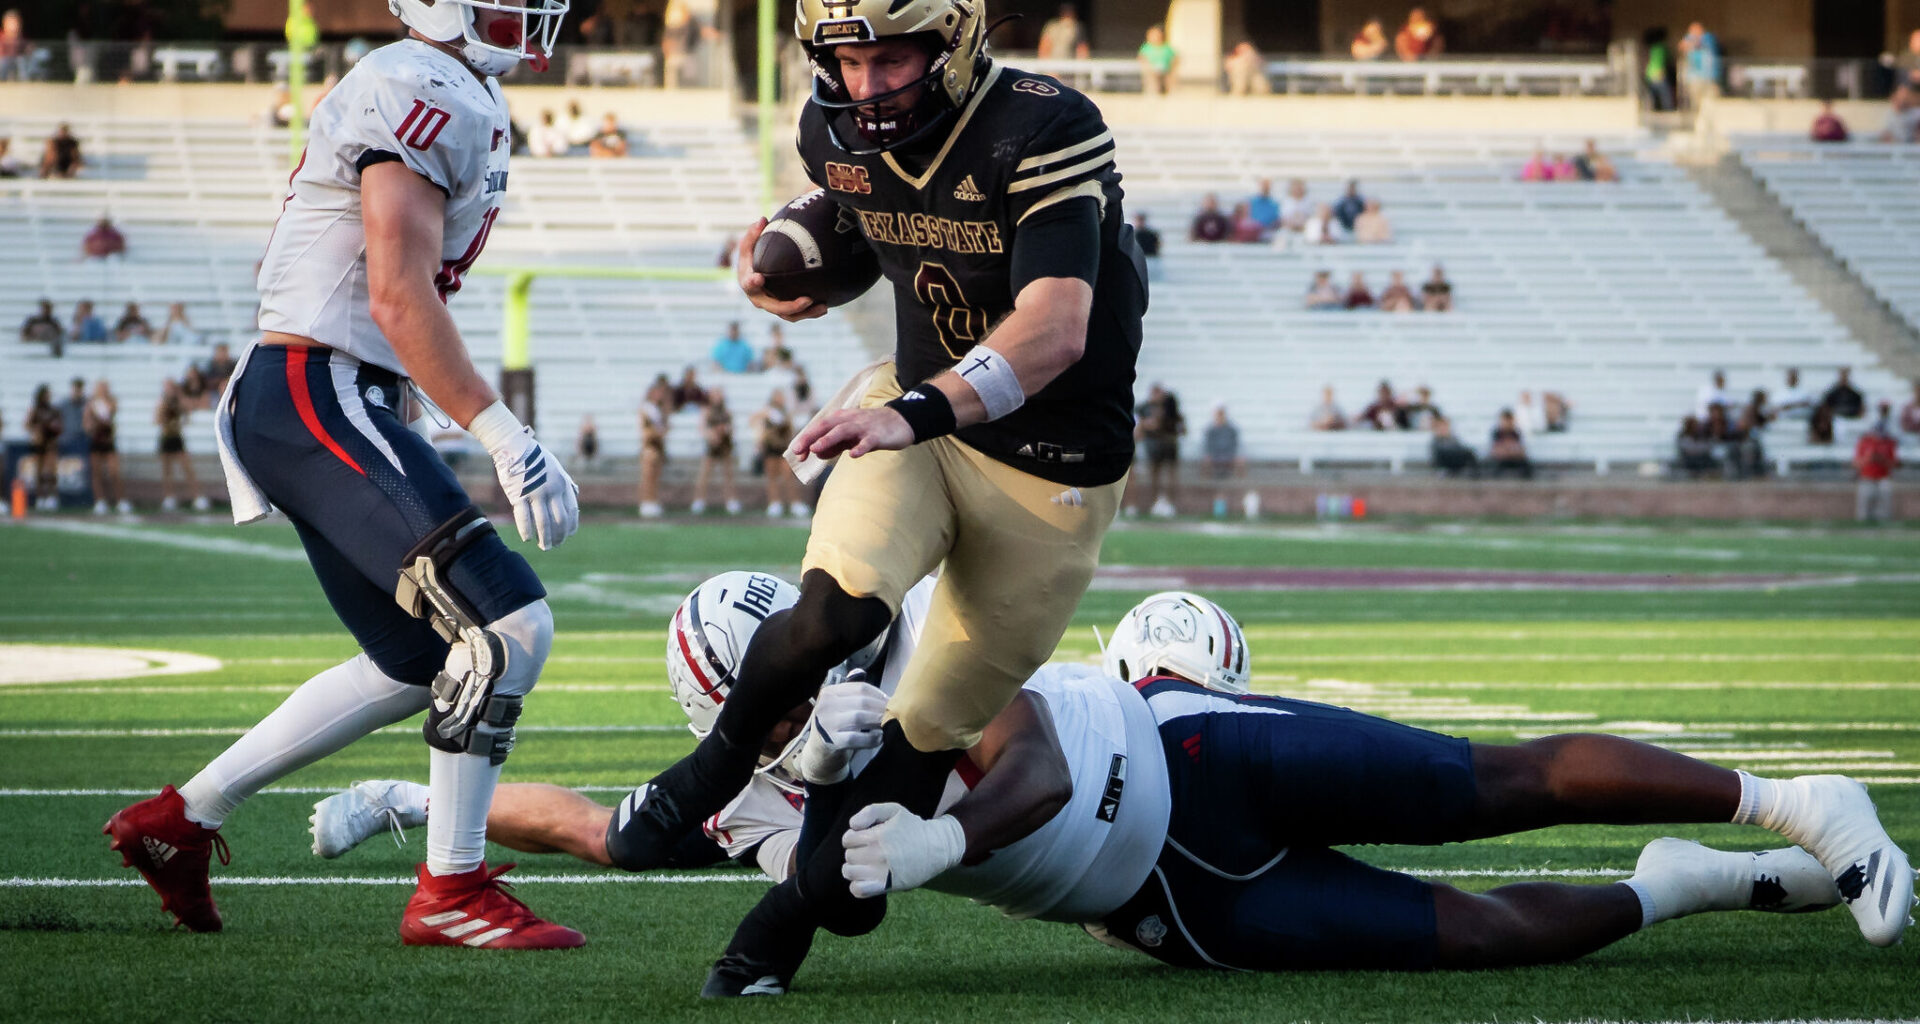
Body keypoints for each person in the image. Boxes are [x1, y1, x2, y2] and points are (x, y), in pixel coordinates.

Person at [313, 585, 1915, 979]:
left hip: (1180, 751)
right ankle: (1690, 880)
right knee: (1482, 934)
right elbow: (601, 830)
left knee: (1492, 782)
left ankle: (1788, 801)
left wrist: (930, 850)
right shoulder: (743, 787)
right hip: (1161, 900)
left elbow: (1023, 760)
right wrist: (420, 812)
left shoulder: (900, 649)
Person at [616, 0, 1149, 995]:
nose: (866, 86)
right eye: (846, 59)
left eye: (891, 58)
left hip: (1047, 478)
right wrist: (794, 276)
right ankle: (712, 770)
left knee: (881, 820)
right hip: (910, 422)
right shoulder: (833, 131)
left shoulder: (1041, 126)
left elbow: (1056, 326)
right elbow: (875, 231)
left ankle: (775, 925)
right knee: (834, 609)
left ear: (955, 43)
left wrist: (920, 407)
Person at [103, 0, 584, 950]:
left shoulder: (457, 90)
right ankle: (451, 888)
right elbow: (396, 294)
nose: (526, 13)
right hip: (314, 386)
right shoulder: (423, 85)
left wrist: (411, 409)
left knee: (421, 660)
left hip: (325, 390)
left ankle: (182, 819)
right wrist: (501, 431)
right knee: (509, 625)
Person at [153, 378, 206, 512]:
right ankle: (169, 497)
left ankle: (196, 496)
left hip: (177, 437)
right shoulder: (162, 402)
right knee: (167, 470)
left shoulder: (179, 401)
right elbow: (157, 420)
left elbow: (187, 412)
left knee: (187, 468)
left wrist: (179, 396)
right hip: (166, 438)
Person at [1135, 382, 1184, 518]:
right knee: (1155, 474)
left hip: (1168, 443)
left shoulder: (1170, 406)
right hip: (1155, 445)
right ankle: (1155, 502)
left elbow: (1177, 424)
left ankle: (1170, 502)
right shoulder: (1145, 407)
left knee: (1170, 474)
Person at [750, 389, 801, 518]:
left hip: (783, 447)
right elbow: (754, 421)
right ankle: (775, 502)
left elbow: (790, 429)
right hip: (771, 448)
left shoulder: (785, 412)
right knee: (772, 477)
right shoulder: (767, 411)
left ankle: (794, 503)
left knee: (788, 476)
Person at [691, 388, 740, 515]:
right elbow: (702, 428)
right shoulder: (707, 410)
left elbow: (732, 427)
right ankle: (699, 500)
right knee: (705, 474)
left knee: (728, 474)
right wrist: (712, 435)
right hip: (711, 446)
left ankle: (731, 500)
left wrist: (725, 430)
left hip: (725, 445)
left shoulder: (726, 411)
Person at [84, 379, 128, 514]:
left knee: (114, 472)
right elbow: (86, 424)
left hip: (108, 441)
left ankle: (121, 500)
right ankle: (100, 501)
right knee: (97, 473)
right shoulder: (91, 404)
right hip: (96, 441)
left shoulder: (110, 401)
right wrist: (92, 425)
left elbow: (111, 412)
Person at [1853, 406, 1897, 523]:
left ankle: (1884, 521)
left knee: (1885, 495)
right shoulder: (1864, 442)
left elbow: (1894, 463)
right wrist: (1869, 458)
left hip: (1883, 477)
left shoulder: (1889, 442)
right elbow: (1857, 463)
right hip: (1867, 476)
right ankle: (1862, 521)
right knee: (1865, 499)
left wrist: (1881, 459)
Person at [25, 383, 61, 510]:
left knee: (51, 470)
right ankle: (40, 497)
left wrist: (54, 428)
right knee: (39, 472)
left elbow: (60, 426)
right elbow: (27, 424)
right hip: (39, 443)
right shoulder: (35, 409)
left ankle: (52, 496)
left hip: (50, 442)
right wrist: (36, 431)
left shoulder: (54, 410)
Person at [638, 379, 670, 518]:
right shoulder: (646, 409)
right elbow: (646, 430)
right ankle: (646, 502)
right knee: (648, 475)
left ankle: (653, 501)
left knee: (656, 476)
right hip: (650, 445)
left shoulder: (659, 409)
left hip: (658, 446)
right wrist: (659, 432)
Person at [1678, 22, 1721, 108]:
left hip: (1709, 77)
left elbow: (1699, 43)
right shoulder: (1689, 38)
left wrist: (1691, 42)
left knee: (1710, 101)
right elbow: (1682, 46)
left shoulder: (1708, 38)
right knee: (1696, 102)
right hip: (1694, 78)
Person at [1201, 403, 1241, 483]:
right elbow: (1208, 445)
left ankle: (1237, 485)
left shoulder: (1231, 429)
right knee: (1205, 462)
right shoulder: (1210, 430)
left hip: (1228, 455)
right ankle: (1208, 485)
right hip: (1215, 455)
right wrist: (1209, 455)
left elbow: (1235, 444)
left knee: (1240, 463)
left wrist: (1235, 455)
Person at [1489, 409, 1532, 478]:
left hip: (1514, 458)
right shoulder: (1496, 433)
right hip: (1501, 459)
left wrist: (1513, 452)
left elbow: (1521, 449)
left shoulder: (1516, 433)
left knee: (1526, 464)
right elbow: (1494, 450)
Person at [1138, 24, 1176, 95]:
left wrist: (1172, 68)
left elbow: (1174, 57)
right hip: (1152, 69)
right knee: (1152, 80)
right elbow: (1142, 57)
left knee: (1169, 79)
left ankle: (1169, 92)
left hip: (1166, 69)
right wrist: (1146, 66)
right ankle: (1153, 92)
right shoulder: (1146, 48)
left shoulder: (1166, 47)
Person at [0, 8, 25, 82]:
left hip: (15, 62)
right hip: (3, 62)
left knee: (21, 61)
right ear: (4, 23)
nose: (14, 26)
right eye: (11, 23)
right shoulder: (1, 36)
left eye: (16, 23)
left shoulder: (20, 38)